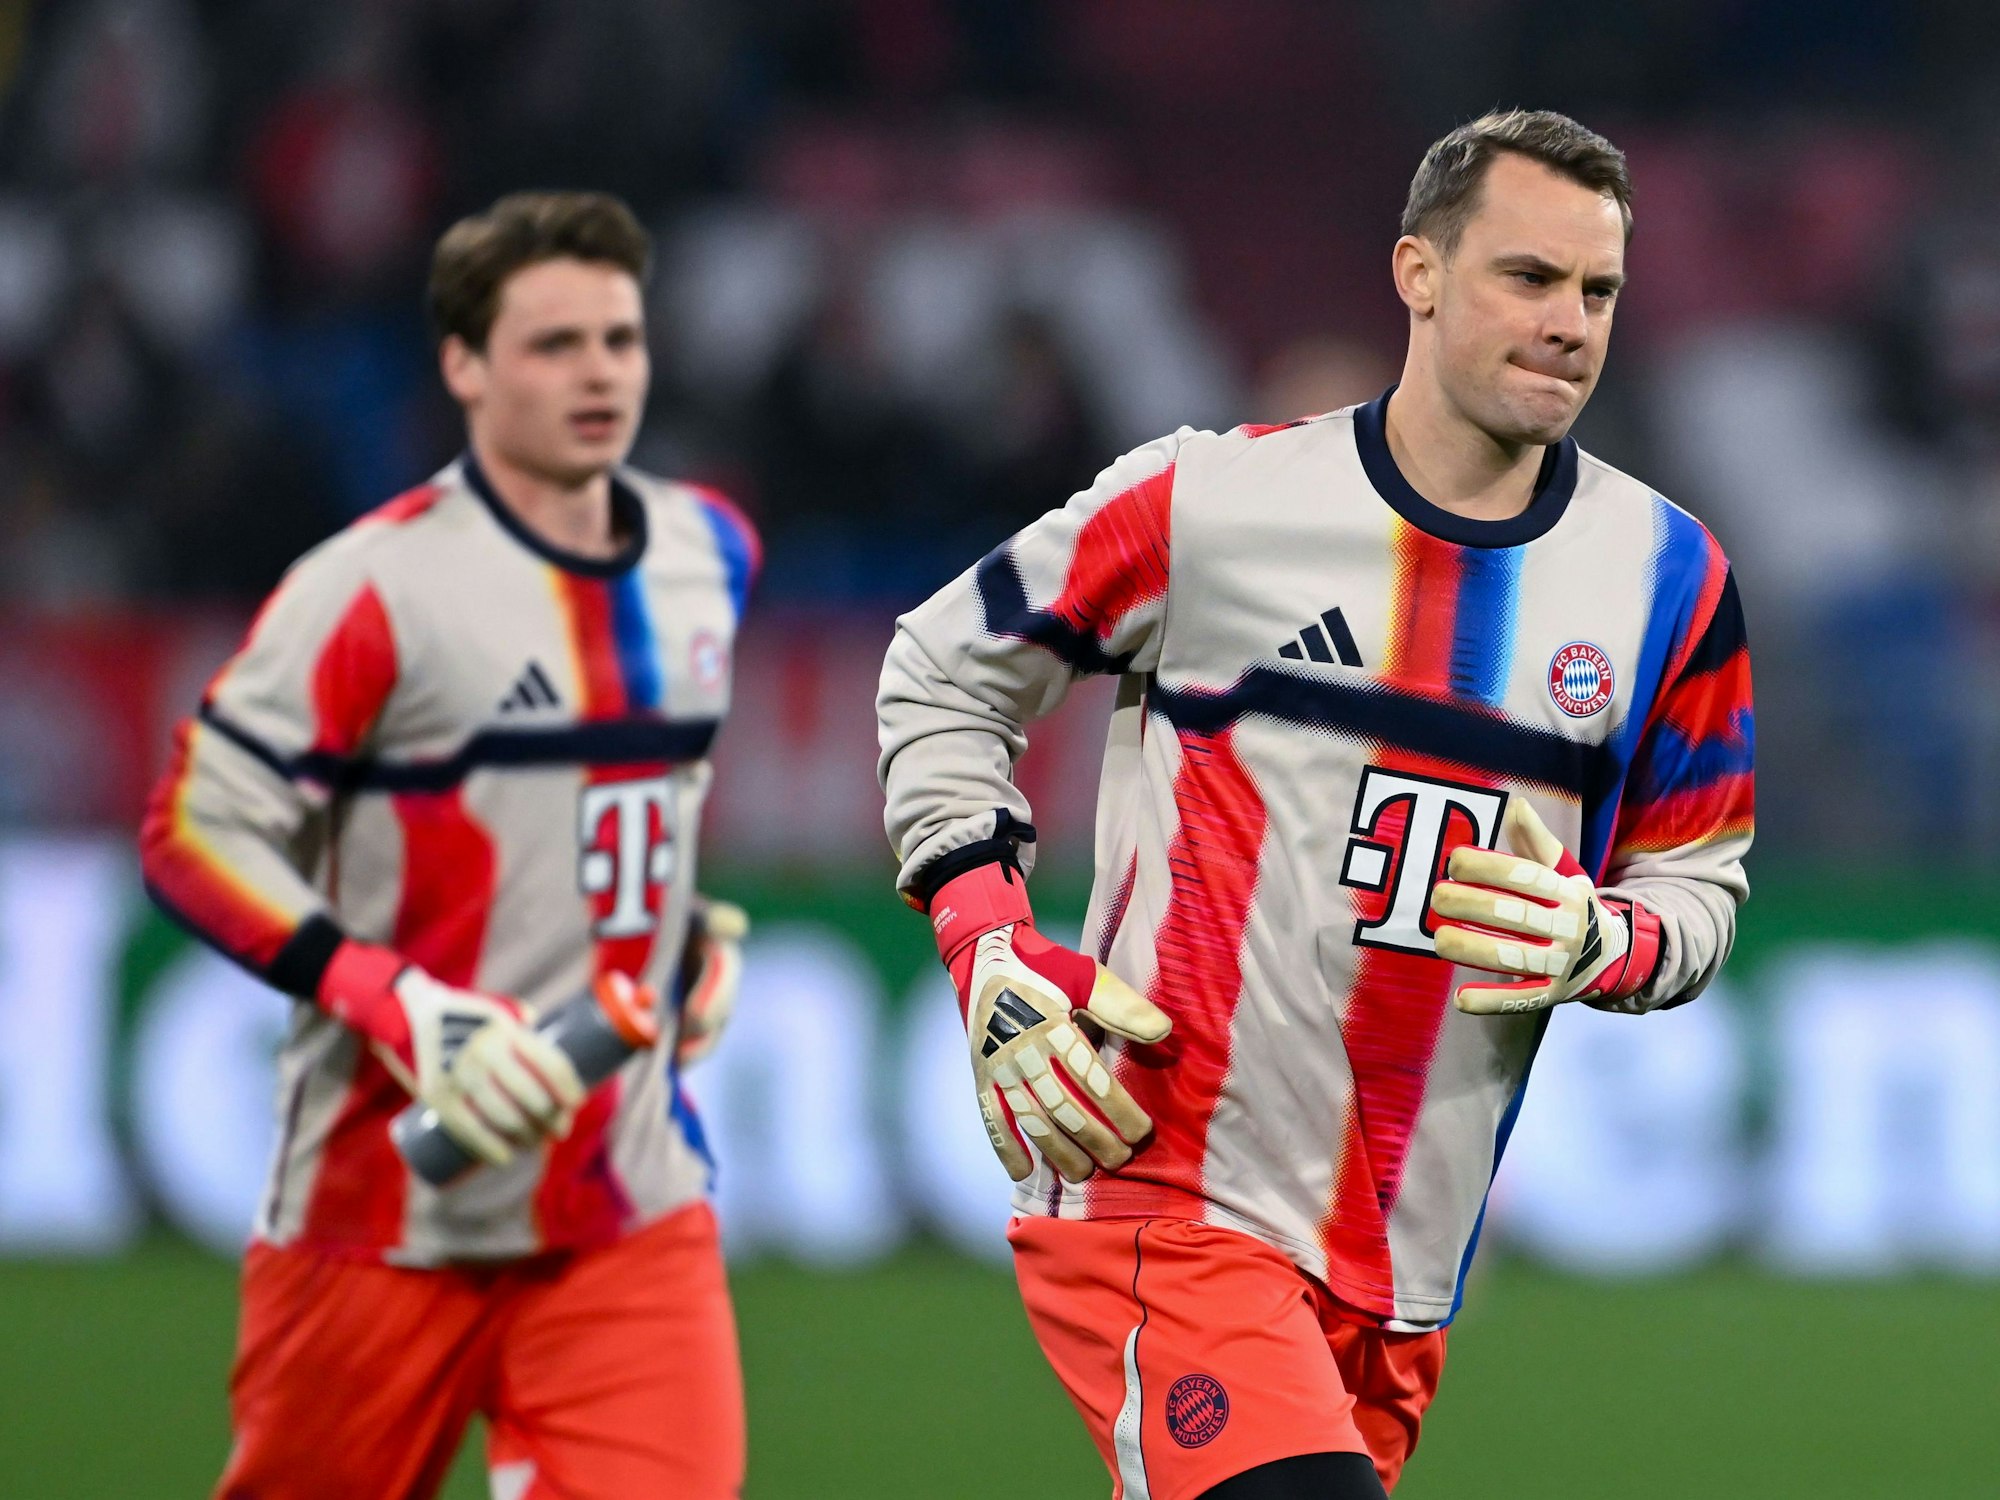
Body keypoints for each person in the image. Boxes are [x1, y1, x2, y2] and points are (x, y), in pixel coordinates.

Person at [877, 110, 1752, 1500]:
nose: (1572, 323)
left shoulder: (1668, 581)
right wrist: (986, 934)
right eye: (1529, 278)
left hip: (1404, 1271)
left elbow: (1700, 878)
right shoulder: (1210, 501)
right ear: (1418, 271)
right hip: (1164, 1191)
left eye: (1598, 291)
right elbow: (940, 668)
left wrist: (1605, 943)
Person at [139, 191, 759, 1500]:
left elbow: (636, 804)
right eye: (552, 344)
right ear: (465, 366)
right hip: (377, 1217)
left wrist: (688, 934)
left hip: (626, 1214)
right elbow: (194, 825)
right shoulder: (370, 588)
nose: (598, 373)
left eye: (619, 339)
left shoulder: (711, 551)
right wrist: (397, 1000)